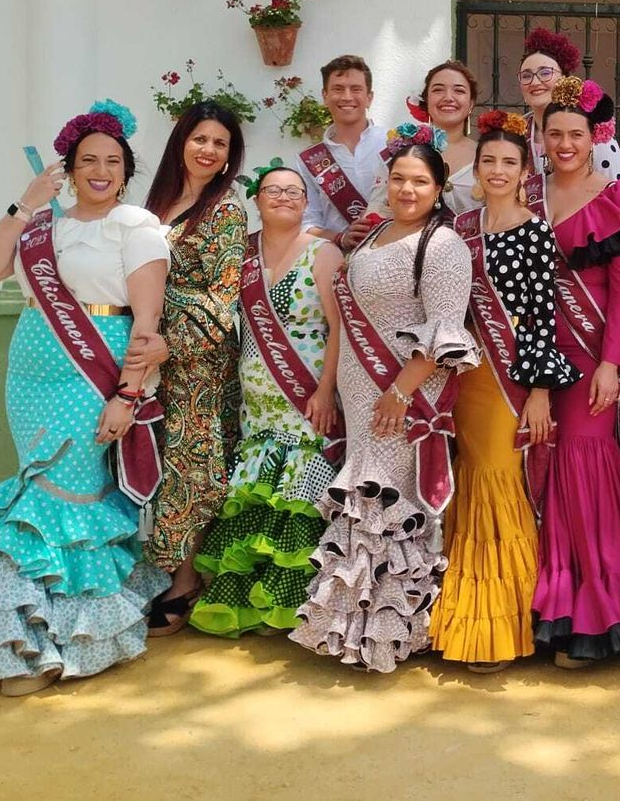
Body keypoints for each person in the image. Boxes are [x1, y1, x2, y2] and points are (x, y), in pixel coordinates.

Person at [0, 100, 170, 695]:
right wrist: (25, 203)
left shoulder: (137, 225)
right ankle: (29, 633)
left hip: (92, 368)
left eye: (113, 161)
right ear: (68, 168)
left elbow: (147, 321)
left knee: (63, 490)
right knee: (32, 483)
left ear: (127, 171)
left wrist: (126, 395)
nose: (101, 170)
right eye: (88, 160)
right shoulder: (45, 223)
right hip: (30, 367)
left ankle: (62, 640)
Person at [291, 126, 480, 673]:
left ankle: (396, 634)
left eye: (420, 180)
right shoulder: (374, 236)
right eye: (398, 178)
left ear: (440, 186)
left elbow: (446, 329)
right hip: (361, 389)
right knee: (366, 501)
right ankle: (354, 629)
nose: (407, 189)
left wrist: (400, 391)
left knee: (392, 507)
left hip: (403, 394)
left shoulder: (442, 245)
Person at [527, 76, 620, 665]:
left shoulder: (616, 195)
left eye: (575, 134)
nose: (564, 143)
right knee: (544, 461)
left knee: (586, 463)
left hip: (591, 358)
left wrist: (612, 364)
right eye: (554, 133)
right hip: (532, 356)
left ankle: (603, 611)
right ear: (540, 137)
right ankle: (555, 608)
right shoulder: (526, 194)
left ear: (595, 137)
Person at [431, 111, 578, 672]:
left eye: (508, 162)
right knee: (467, 479)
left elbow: (544, 317)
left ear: (525, 172)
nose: (496, 169)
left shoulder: (534, 229)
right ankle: (461, 618)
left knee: (497, 478)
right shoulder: (456, 229)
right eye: (488, 160)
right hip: (461, 376)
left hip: (508, 378)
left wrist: (541, 392)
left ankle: (504, 621)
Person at [189, 161, 344, 638]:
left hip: (305, 396)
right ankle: (252, 601)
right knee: (257, 496)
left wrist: (324, 390)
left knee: (295, 498)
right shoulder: (242, 255)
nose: (283, 197)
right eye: (273, 190)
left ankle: (291, 606)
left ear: (305, 201)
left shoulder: (324, 253)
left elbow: (339, 328)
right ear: (257, 199)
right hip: (255, 401)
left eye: (294, 191)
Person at [142, 102, 247, 636]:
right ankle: (154, 567)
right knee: (150, 458)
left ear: (230, 157)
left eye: (220, 144)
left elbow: (222, 297)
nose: (208, 150)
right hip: (141, 351)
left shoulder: (227, 211)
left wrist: (168, 339)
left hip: (196, 361)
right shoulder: (153, 203)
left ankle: (184, 580)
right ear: (181, 141)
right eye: (200, 139)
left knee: (191, 466)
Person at [299, 54, 388, 253]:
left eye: (356, 89)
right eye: (338, 89)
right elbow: (306, 224)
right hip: (335, 263)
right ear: (325, 96)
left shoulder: (392, 143)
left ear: (369, 97)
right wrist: (342, 238)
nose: (347, 97)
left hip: (390, 254)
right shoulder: (308, 161)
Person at [517, 27, 620, 179]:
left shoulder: (593, 134)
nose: (535, 82)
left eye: (545, 73)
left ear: (564, 77)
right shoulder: (514, 132)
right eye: (526, 76)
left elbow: (614, 192)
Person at [413, 59, 480, 214]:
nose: (448, 97)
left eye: (459, 91)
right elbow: (382, 207)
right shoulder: (406, 151)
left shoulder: (486, 155)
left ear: (471, 103)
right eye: (438, 90)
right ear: (426, 100)